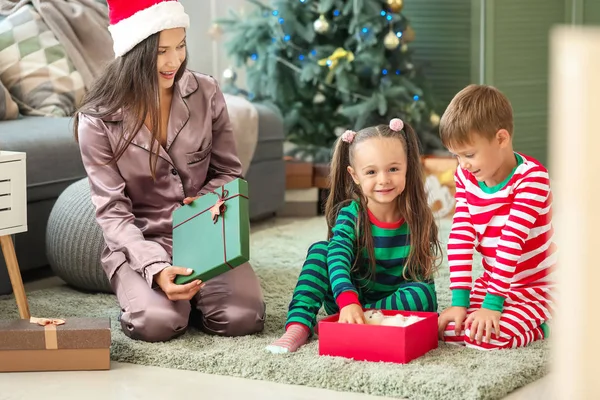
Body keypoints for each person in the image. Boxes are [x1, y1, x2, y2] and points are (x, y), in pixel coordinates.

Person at [74, 0, 265, 342]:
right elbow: (112, 212)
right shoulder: (97, 121)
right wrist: (156, 269)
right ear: (135, 51)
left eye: (180, 46)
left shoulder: (205, 93)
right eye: (162, 51)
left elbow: (228, 172)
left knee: (242, 318)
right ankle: (159, 297)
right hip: (143, 241)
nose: (175, 61)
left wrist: (204, 204)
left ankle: (200, 299)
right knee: (157, 323)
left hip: (204, 233)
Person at [266, 118, 442, 354]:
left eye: (393, 169)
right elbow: (338, 260)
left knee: (423, 295)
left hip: (390, 301)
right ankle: (298, 327)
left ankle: (364, 318)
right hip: (345, 297)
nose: (384, 179)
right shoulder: (352, 214)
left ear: (407, 167)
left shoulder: (418, 216)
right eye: (371, 171)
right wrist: (348, 301)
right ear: (355, 175)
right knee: (321, 251)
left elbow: (423, 281)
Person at [437, 84, 556, 350]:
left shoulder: (533, 179)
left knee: (487, 339)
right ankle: (502, 310)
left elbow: (510, 242)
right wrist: (459, 302)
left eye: (468, 154)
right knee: (451, 332)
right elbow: (460, 235)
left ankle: (549, 323)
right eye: (456, 156)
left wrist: (492, 306)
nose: (462, 164)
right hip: (495, 281)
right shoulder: (466, 176)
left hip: (536, 286)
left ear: (501, 139)